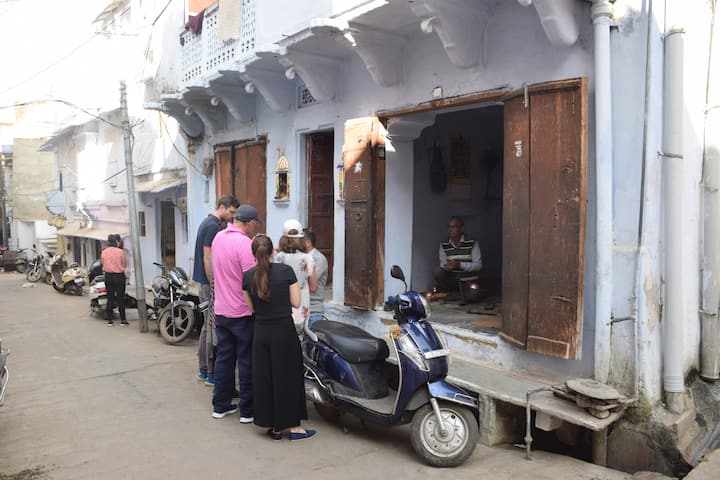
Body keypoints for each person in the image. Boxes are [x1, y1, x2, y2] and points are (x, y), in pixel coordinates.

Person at [243, 234, 315, 441]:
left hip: (261, 332)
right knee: (288, 378)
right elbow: (296, 302)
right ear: (273, 251)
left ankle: (274, 427)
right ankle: (294, 428)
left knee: (266, 379)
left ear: (253, 254)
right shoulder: (285, 271)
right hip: (284, 331)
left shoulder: (247, 277)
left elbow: (251, 308)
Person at [210, 204, 261, 422]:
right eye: (255, 224)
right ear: (250, 223)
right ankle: (247, 411)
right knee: (246, 361)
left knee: (224, 358)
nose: (255, 228)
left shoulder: (218, 237)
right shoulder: (244, 244)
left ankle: (220, 406)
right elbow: (252, 279)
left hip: (221, 310)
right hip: (241, 312)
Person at [193, 195, 239, 386]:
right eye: (231, 212)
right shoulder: (212, 226)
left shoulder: (207, 222)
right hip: (207, 282)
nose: (232, 216)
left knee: (207, 326)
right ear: (222, 207)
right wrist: (214, 282)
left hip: (204, 281)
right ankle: (208, 370)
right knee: (210, 327)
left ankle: (205, 370)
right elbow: (207, 257)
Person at [273, 219, 317, 333]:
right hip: (301, 305)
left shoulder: (277, 257)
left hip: (281, 305)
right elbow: (313, 287)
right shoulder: (308, 258)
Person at [433, 216, 482, 293]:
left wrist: (459, 264)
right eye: (449, 227)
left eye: (453, 227)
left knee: (472, 293)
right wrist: (447, 266)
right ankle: (451, 292)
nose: (450, 230)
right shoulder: (444, 244)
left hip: (468, 280)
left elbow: (478, 265)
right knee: (438, 272)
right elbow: (443, 264)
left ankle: (453, 294)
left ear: (461, 229)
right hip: (453, 280)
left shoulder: (472, 242)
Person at [101, 234, 128, 327]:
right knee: (120, 298)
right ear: (116, 242)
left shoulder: (104, 252)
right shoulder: (120, 252)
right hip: (119, 276)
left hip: (108, 276)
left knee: (110, 298)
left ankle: (110, 320)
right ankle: (123, 320)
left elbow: (103, 263)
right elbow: (124, 264)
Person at [303, 228, 328, 315]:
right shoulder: (300, 257)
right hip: (301, 307)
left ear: (308, 243)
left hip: (313, 309)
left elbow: (310, 283)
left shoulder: (319, 259)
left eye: (299, 241)